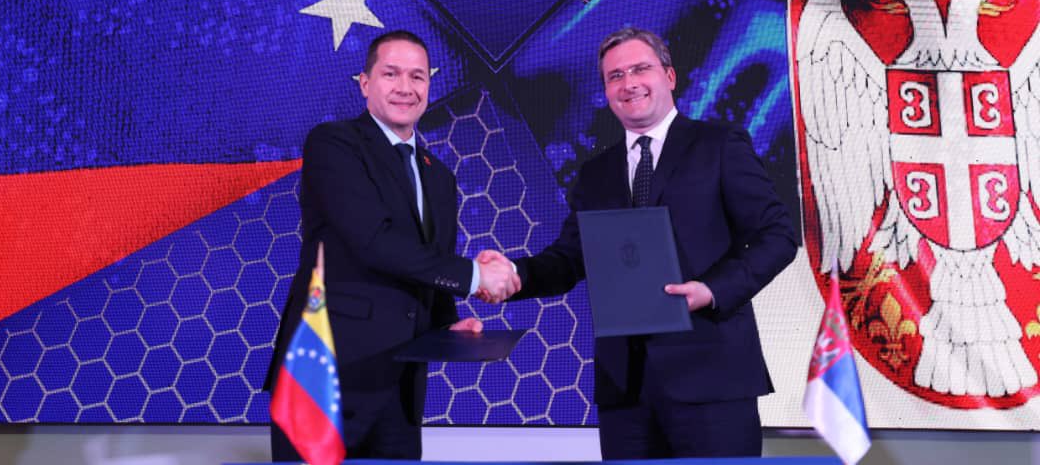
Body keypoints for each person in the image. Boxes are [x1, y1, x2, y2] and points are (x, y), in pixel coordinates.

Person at [479, 26, 797, 458]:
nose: (628, 83)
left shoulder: (719, 146)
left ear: (670, 76)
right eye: (615, 76)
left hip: (712, 381)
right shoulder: (595, 173)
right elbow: (569, 259)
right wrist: (514, 273)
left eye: (640, 69)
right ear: (607, 91)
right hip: (625, 391)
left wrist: (711, 290)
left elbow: (777, 235)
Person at [267, 30, 521, 461]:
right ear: (365, 84)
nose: (406, 87)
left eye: (417, 76)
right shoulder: (334, 144)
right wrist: (475, 275)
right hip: (323, 376)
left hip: (400, 388)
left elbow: (427, 263)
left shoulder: (439, 177)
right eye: (391, 74)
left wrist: (446, 324)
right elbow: (373, 241)